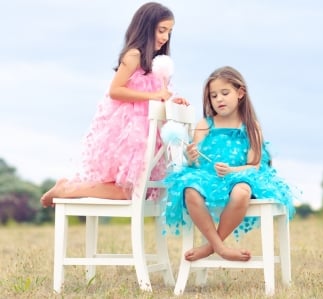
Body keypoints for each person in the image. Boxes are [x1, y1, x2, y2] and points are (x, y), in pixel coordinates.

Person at [41, 2, 188, 208]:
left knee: (139, 190)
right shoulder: (134, 55)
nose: (165, 37)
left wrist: (172, 100)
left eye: (169, 32)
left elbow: (160, 94)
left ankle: (68, 187)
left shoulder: (155, 63)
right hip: (129, 133)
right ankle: (67, 189)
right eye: (161, 30)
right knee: (129, 190)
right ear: (146, 28)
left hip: (146, 136)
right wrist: (155, 95)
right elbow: (115, 90)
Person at [163, 66, 297, 262]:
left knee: (241, 191)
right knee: (190, 189)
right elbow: (196, 161)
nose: (219, 99)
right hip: (208, 176)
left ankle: (210, 247)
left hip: (241, 176)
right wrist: (191, 155)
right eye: (213, 95)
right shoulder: (205, 124)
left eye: (225, 93)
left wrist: (232, 170)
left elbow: (254, 165)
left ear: (240, 93)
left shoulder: (250, 127)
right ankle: (221, 248)